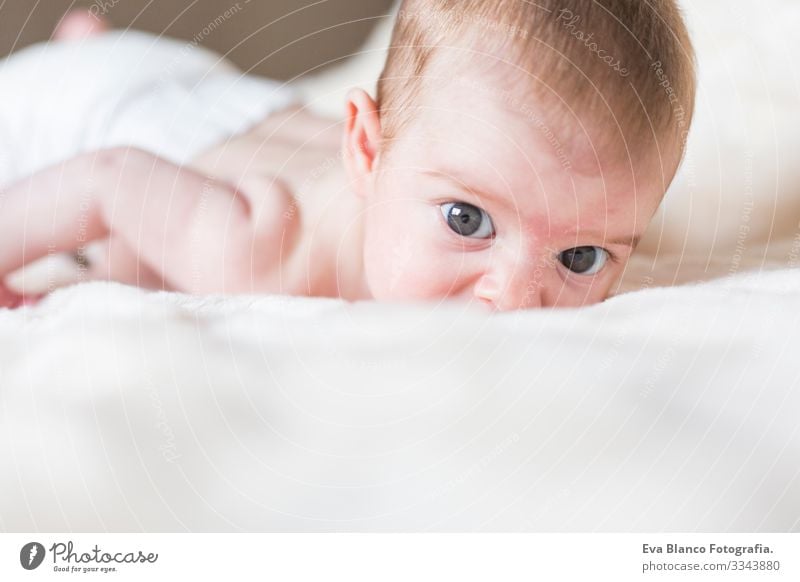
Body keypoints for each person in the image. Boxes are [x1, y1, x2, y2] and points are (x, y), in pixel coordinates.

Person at [0, 0, 696, 311]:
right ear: (367, 149)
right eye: (465, 220)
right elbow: (107, 177)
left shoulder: (480, 172)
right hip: (78, 108)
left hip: (219, 92)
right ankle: (81, 49)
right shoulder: (258, 251)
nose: (513, 300)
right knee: (117, 247)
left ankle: (90, 38)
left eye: (579, 258)